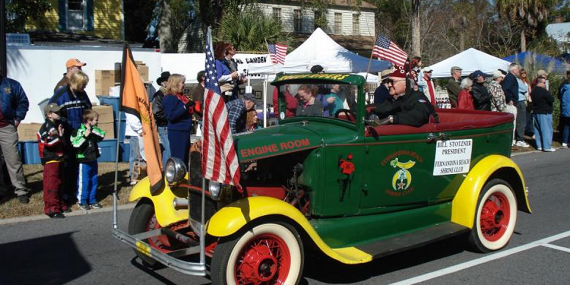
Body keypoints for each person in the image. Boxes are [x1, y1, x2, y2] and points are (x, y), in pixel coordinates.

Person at [49, 71, 92, 205]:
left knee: (77, 163)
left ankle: (74, 191)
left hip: (79, 134)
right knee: (66, 165)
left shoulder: (82, 94)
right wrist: (58, 124)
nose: (84, 88)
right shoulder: (61, 94)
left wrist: (88, 123)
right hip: (66, 134)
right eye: (82, 85)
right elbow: (50, 111)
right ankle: (64, 195)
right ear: (75, 83)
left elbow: (87, 109)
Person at [0, 75, 30, 203]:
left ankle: (21, 190)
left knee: (13, 159)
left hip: (6, 127)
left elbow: (23, 101)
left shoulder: (11, 84)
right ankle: (1, 189)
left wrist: (18, 118)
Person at [370, 72, 437, 127]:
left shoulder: (417, 97)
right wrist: (369, 115)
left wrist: (392, 119)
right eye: (388, 82)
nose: (389, 85)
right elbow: (381, 109)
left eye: (392, 82)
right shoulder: (394, 99)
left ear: (405, 84)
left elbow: (420, 116)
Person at [37, 103, 68, 218]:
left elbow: (61, 143)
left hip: (59, 158)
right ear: (49, 114)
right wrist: (59, 136)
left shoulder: (57, 125)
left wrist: (61, 135)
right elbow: (49, 143)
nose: (59, 114)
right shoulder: (46, 127)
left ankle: (60, 205)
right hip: (50, 160)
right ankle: (51, 209)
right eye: (57, 112)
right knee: (52, 184)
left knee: (60, 183)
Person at [71, 109, 105, 210]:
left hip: (93, 158)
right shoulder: (78, 131)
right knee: (84, 181)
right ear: (89, 120)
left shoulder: (95, 129)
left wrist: (92, 132)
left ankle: (92, 200)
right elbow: (75, 144)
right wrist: (85, 136)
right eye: (96, 120)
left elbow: (102, 135)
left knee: (94, 180)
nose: (97, 122)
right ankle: (82, 201)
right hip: (83, 160)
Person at [163, 74, 196, 164]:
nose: (184, 85)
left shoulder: (181, 97)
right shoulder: (170, 98)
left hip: (184, 130)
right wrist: (185, 107)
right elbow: (171, 116)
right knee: (179, 157)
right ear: (176, 83)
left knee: (185, 157)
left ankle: (183, 175)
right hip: (177, 131)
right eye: (182, 83)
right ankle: (177, 176)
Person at [151, 71, 171, 167]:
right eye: (169, 81)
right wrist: (168, 117)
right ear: (164, 83)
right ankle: (165, 169)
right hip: (163, 126)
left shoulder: (168, 94)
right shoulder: (159, 95)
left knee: (169, 148)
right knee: (168, 148)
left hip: (167, 125)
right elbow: (156, 111)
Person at [530, 77, 555, 152]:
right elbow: (551, 99)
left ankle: (539, 145)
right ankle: (547, 146)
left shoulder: (533, 90)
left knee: (537, 130)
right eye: (544, 83)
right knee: (546, 130)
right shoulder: (544, 92)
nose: (545, 84)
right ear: (540, 82)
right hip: (544, 112)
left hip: (536, 112)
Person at [501, 63, 520, 146]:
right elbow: (505, 89)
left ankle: (511, 139)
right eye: (517, 69)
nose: (518, 71)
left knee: (513, 122)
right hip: (510, 104)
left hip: (513, 102)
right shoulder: (510, 78)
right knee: (512, 122)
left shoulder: (511, 77)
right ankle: (510, 140)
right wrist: (509, 99)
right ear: (513, 70)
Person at [125, 113, 146, 185]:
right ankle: (136, 177)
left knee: (135, 157)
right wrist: (139, 130)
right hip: (136, 133)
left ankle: (134, 177)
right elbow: (132, 117)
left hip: (135, 132)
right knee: (137, 158)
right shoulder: (131, 104)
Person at [514, 67, 530, 147]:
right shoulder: (517, 81)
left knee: (520, 121)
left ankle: (518, 138)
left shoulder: (522, 81)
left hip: (521, 101)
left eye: (524, 73)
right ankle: (520, 139)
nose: (523, 74)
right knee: (521, 121)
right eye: (521, 73)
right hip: (520, 101)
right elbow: (525, 88)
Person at [559, 71, 570, 148]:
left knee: (566, 125)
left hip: (565, 108)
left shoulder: (563, 87)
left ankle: (564, 141)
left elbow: (559, 96)